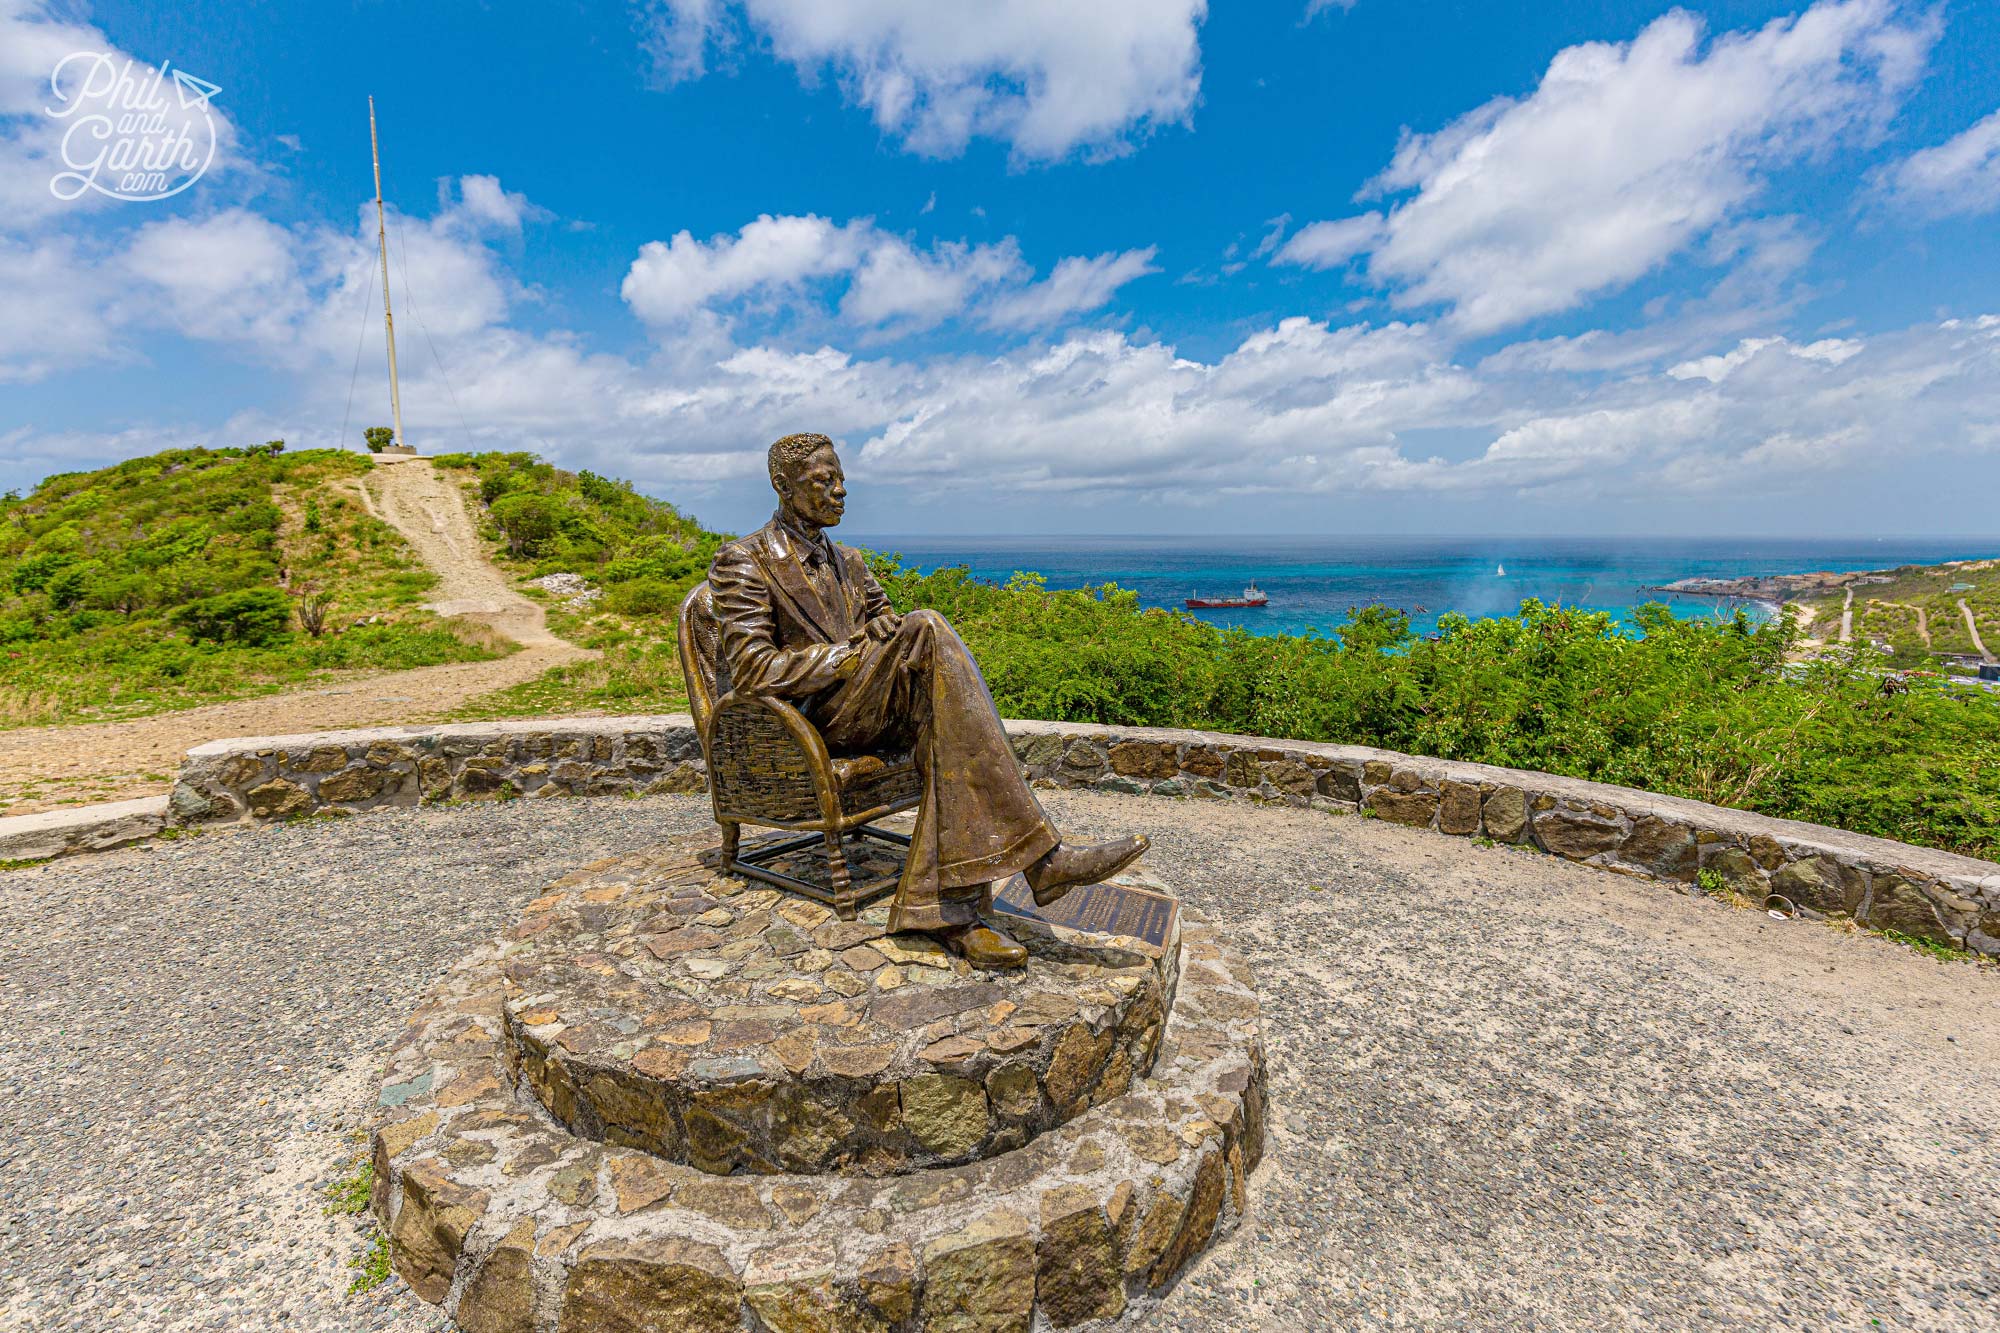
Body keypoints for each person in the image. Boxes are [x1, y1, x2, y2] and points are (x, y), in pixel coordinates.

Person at [707, 432, 1149, 969]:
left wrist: (883, 632)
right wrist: (852, 653)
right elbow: (754, 671)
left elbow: (883, 625)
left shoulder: (850, 561)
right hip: (815, 718)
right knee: (928, 627)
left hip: (875, 708)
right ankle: (1043, 862)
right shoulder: (745, 560)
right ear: (782, 486)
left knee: (946, 705)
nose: (841, 491)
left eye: (842, 478)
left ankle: (949, 910)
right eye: (823, 482)